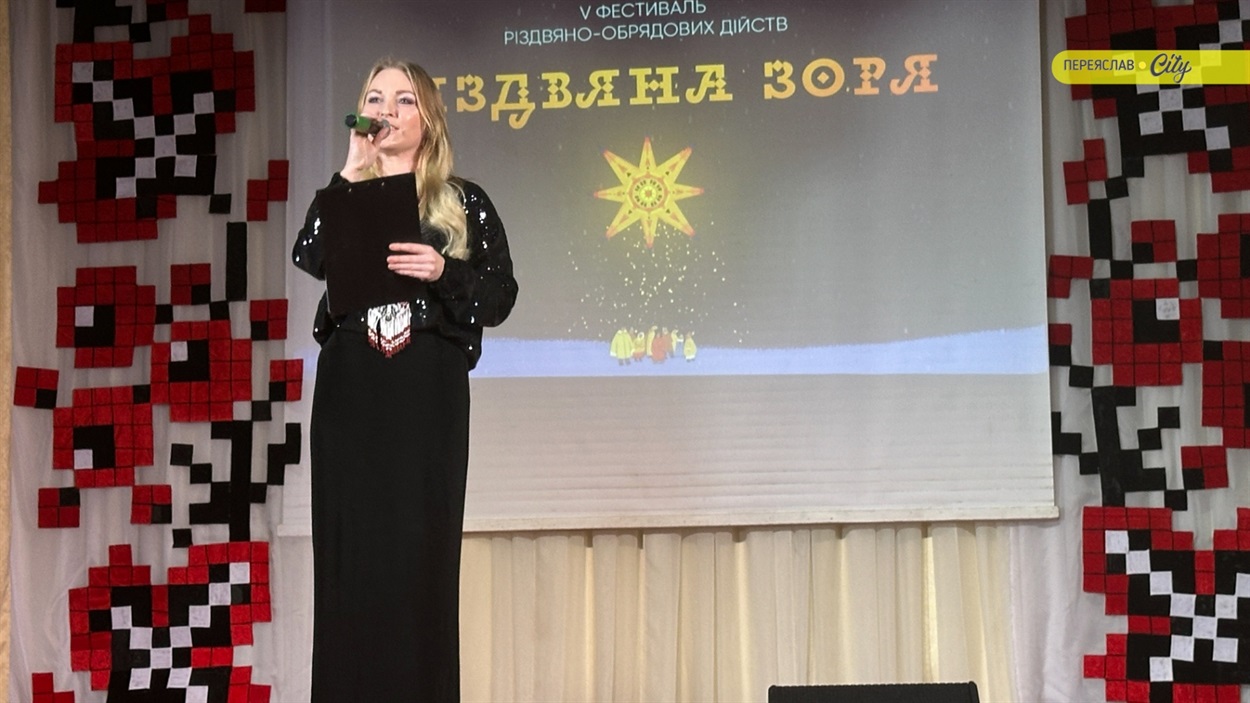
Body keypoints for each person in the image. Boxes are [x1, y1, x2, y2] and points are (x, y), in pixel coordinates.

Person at [291, 57, 517, 702]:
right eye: (375, 98)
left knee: (419, 558)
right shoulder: (344, 193)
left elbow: (499, 297)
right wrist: (350, 171)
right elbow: (309, 255)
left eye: (404, 99)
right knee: (350, 558)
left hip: (425, 394)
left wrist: (442, 271)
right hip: (351, 389)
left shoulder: (463, 202)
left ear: (429, 119)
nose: (386, 110)